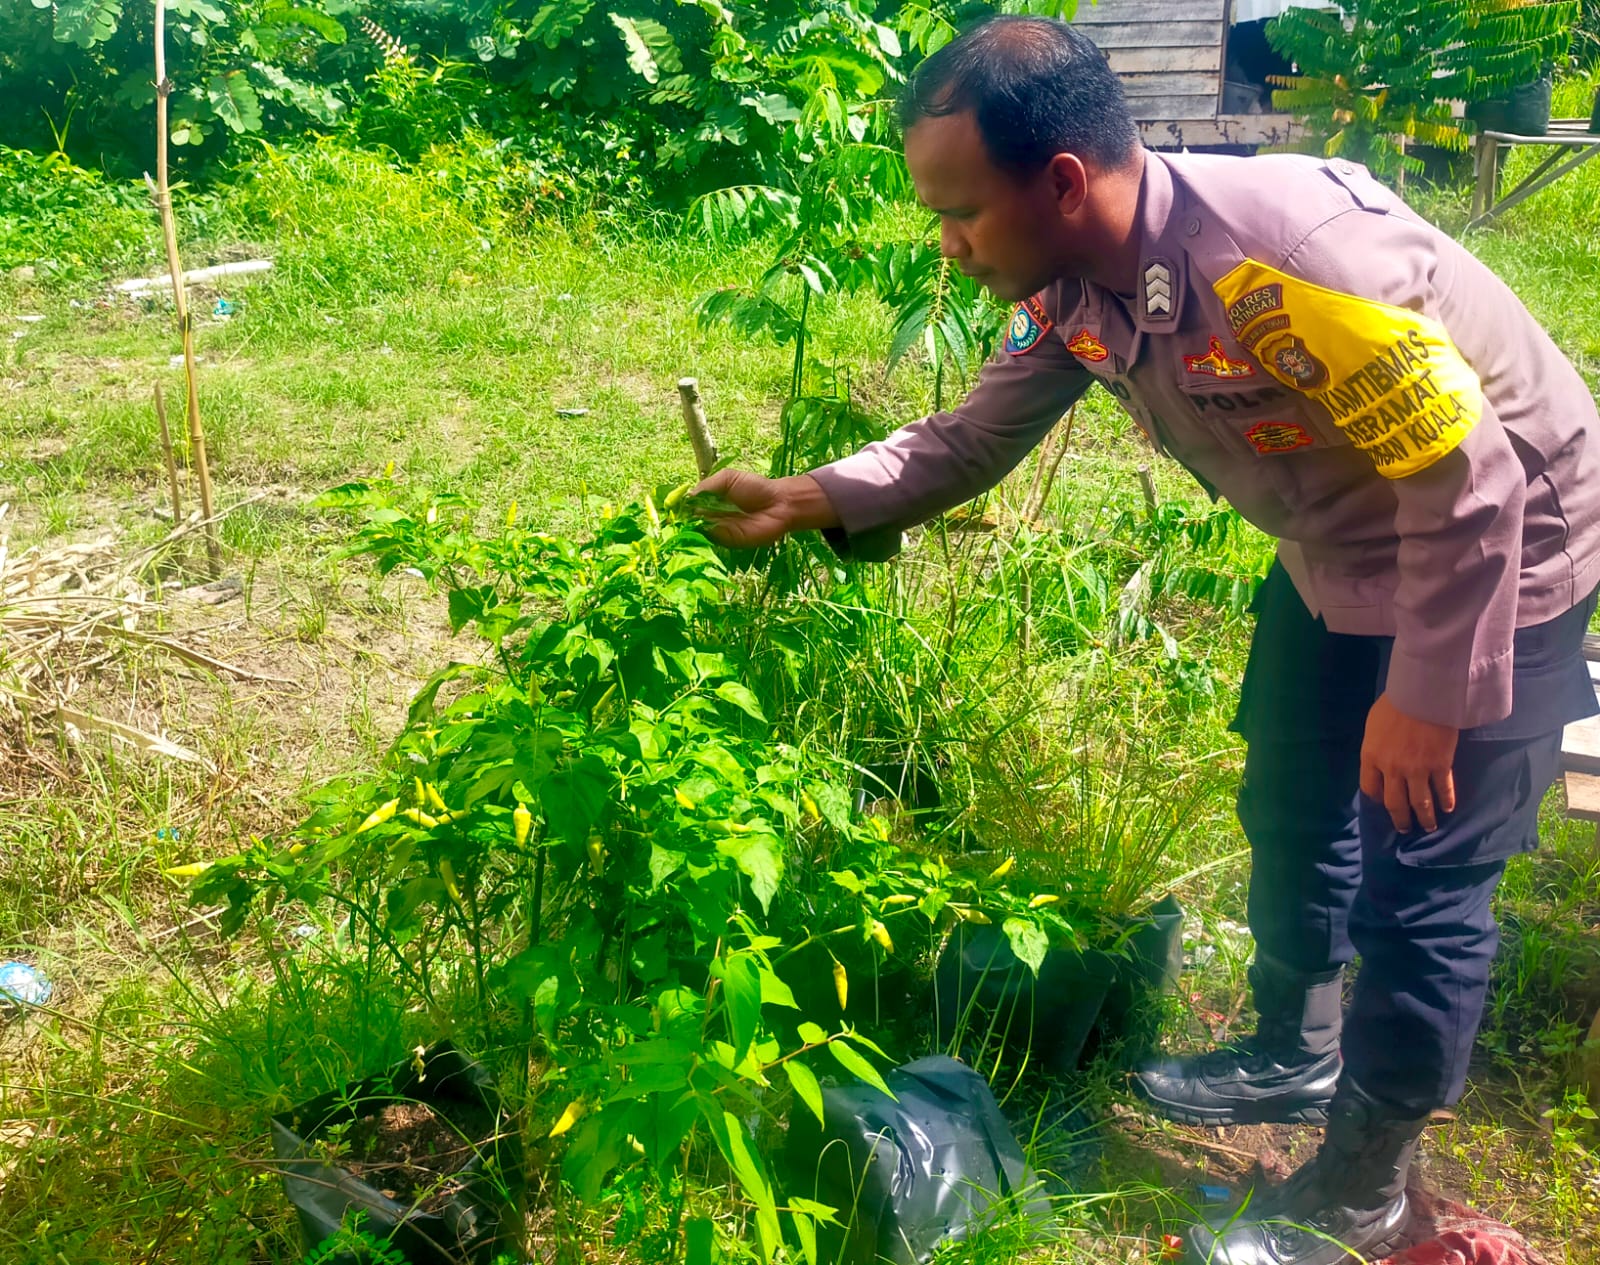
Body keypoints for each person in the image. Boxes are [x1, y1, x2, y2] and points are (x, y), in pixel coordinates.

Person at [695, 16, 1600, 1265]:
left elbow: (1470, 482)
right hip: (1339, 546)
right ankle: (1295, 1046)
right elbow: (972, 433)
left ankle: (1364, 1182)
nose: (948, 248)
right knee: (1292, 793)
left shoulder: (1288, 260)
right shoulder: (1075, 281)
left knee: (1423, 881)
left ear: (1061, 182)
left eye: (961, 215)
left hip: (1499, 552)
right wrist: (811, 495)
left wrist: (1433, 692)